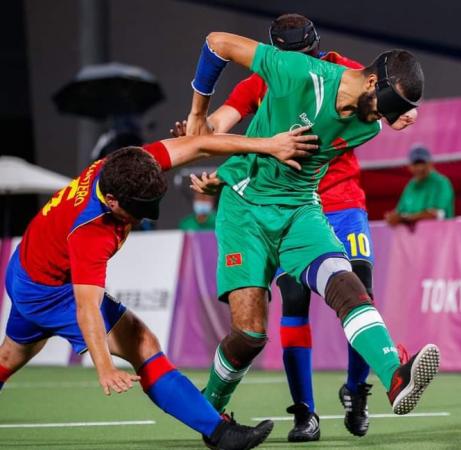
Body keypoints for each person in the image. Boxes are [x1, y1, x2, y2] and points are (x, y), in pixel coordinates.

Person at [185, 30, 440, 438]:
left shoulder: (369, 124)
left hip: (302, 210)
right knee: (249, 335)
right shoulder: (295, 71)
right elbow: (216, 42)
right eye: (383, 109)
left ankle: (395, 373)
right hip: (245, 213)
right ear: (372, 83)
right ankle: (210, 412)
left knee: (348, 284)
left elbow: (380, 110)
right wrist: (199, 114)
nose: (377, 121)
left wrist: (401, 109)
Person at [0, 131, 317, 450]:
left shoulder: (128, 166)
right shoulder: (91, 233)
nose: (140, 220)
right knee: (143, 344)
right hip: (49, 291)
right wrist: (105, 367)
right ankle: (219, 434)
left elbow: (199, 144)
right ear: (112, 202)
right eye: (136, 212)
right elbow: (86, 309)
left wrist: (269, 145)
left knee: (9, 357)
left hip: (25, 267)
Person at [384, 145, 455, 226]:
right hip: (415, 238)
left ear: (430, 163)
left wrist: (404, 218)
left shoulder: (441, 183)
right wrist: (392, 217)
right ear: (409, 166)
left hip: (441, 236)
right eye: (416, 164)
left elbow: (436, 215)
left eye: (422, 163)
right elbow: (399, 213)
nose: (419, 168)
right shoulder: (410, 186)